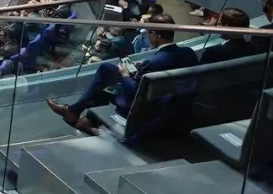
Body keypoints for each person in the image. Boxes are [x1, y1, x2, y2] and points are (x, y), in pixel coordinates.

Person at [46, 16, 195, 132]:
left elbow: (135, 92)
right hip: (172, 98)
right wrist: (142, 67)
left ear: (155, 34)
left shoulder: (155, 61)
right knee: (106, 69)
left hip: (147, 104)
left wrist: (125, 74)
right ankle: (81, 116)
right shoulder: (188, 53)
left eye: (149, 32)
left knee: (105, 87)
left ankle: (77, 113)